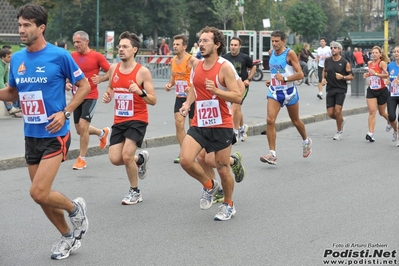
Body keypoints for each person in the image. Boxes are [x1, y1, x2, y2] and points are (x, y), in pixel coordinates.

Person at [0, 4, 90, 260]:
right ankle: (68, 237)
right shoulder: (17, 58)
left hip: (55, 133)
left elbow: (83, 86)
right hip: (31, 134)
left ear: (41, 27)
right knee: (41, 197)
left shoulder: (59, 56)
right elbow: (14, 93)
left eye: (27, 25)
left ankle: (76, 209)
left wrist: (66, 111)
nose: (21, 30)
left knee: (38, 191)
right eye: (19, 25)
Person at [179, 26, 242, 221]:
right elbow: (194, 88)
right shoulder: (196, 66)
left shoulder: (224, 67)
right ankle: (209, 185)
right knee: (186, 160)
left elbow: (237, 96)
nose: (201, 44)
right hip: (200, 122)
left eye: (206, 41)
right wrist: (188, 103)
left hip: (221, 124)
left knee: (222, 168)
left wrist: (216, 91)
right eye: (200, 40)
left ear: (217, 44)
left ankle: (229, 204)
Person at [102, 31, 156, 205]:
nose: (121, 49)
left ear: (134, 50)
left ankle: (135, 192)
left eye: (125, 46)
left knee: (126, 156)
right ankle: (140, 160)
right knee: (115, 159)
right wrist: (108, 95)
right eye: (119, 46)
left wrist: (140, 92)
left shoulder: (143, 72)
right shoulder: (113, 69)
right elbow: (111, 87)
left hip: (138, 119)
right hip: (119, 120)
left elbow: (153, 100)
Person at [260, 30, 312, 165]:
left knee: (295, 121)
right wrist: (271, 81)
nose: (274, 43)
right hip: (275, 92)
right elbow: (274, 73)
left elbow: (300, 74)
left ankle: (306, 141)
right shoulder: (271, 53)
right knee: (270, 120)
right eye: (272, 41)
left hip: (289, 92)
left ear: (283, 41)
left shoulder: (290, 54)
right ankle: (272, 154)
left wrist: (284, 78)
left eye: (277, 41)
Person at [69, 30, 111, 170]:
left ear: (86, 41)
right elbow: (66, 74)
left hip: (90, 96)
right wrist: (67, 83)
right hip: (77, 97)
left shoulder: (96, 56)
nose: (76, 45)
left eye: (78, 42)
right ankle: (102, 133)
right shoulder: (72, 56)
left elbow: (111, 71)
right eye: (74, 42)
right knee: (79, 130)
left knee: (83, 126)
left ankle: (82, 159)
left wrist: (101, 79)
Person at [165, 34, 197, 163]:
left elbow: (198, 77)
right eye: (174, 44)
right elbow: (174, 76)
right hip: (179, 97)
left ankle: (195, 151)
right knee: (179, 124)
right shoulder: (173, 60)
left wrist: (191, 87)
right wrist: (170, 84)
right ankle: (184, 152)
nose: (175, 46)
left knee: (193, 126)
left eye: (178, 44)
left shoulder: (192, 60)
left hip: (193, 97)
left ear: (184, 46)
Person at [222, 36, 256, 142]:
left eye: (235, 45)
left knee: (235, 107)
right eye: (231, 45)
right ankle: (242, 127)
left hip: (242, 86)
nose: (233, 47)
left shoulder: (245, 57)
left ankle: (235, 133)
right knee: (238, 109)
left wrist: (248, 79)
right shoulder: (225, 58)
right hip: (230, 87)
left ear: (240, 46)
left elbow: (253, 67)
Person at [321, 41, 354, 140]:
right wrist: (323, 79)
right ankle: (341, 121)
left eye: (335, 48)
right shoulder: (327, 61)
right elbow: (324, 70)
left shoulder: (345, 62)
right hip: (330, 88)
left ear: (339, 50)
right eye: (331, 48)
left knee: (338, 111)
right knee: (331, 113)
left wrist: (343, 77)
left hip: (341, 89)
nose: (332, 49)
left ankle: (339, 132)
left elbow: (351, 76)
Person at [362, 46, 392, 142]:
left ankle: (390, 121)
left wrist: (376, 74)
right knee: (372, 111)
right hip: (371, 90)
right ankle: (370, 133)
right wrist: (367, 74)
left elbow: (387, 74)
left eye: (376, 53)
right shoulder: (370, 63)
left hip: (382, 90)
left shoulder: (381, 63)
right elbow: (370, 73)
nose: (374, 54)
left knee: (382, 112)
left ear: (380, 54)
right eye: (373, 53)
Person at [0, 48, 22, 117]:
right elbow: (0, 80)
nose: (11, 58)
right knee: (4, 92)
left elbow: (6, 78)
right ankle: (10, 109)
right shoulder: (0, 66)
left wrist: (8, 85)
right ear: (3, 57)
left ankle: (16, 108)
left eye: (11, 56)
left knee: (15, 88)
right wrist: (7, 94)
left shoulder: (6, 64)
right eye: (8, 57)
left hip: (1, 82)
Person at [385, 45, 399, 146]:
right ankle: (395, 130)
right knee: (391, 116)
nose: (396, 53)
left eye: (398, 51)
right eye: (395, 52)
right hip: (392, 94)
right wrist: (387, 81)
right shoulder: (390, 65)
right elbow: (387, 77)